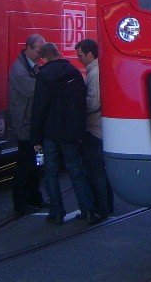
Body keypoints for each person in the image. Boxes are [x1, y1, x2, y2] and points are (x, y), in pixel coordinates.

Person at [30, 43, 99, 224]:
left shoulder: (43, 76)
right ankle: (88, 210)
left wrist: (35, 136)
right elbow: (80, 104)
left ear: (44, 58)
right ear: (59, 54)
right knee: (76, 171)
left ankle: (56, 212)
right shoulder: (74, 73)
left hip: (50, 133)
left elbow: (39, 109)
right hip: (70, 133)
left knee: (50, 173)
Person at [8, 34, 48, 215]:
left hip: (33, 125)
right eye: (39, 51)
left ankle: (34, 196)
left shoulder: (31, 66)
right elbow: (35, 90)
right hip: (26, 126)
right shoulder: (20, 70)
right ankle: (21, 202)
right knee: (26, 164)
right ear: (29, 48)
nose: (41, 55)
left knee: (36, 163)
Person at [76, 38, 114, 219]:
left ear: (90, 54)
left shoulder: (94, 73)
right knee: (99, 170)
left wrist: (78, 109)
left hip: (94, 128)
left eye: (81, 55)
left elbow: (93, 102)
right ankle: (106, 206)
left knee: (95, 170)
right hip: (99, 127)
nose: (79, 59)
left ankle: (102, 208)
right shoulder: (96, 71)